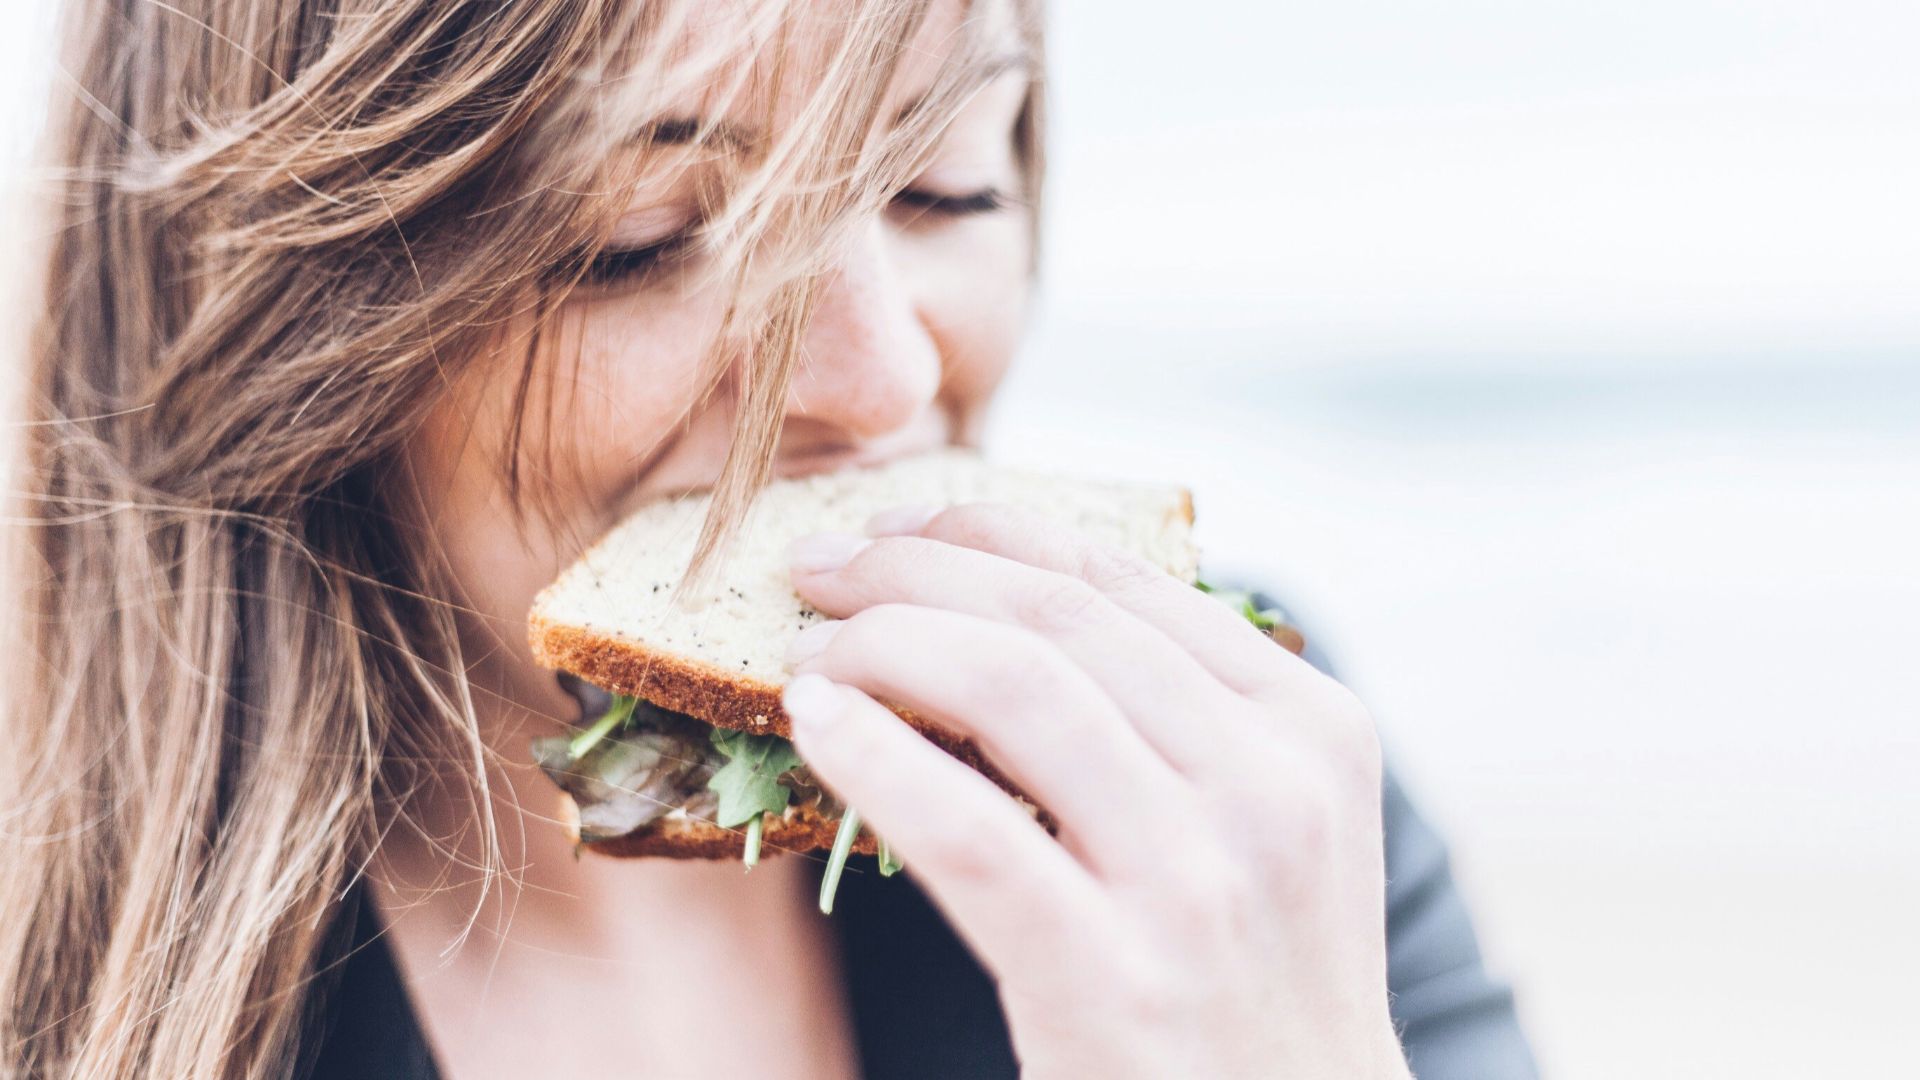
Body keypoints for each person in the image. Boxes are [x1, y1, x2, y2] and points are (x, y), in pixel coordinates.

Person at [0, 0, 1538, 1077]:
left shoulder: (1233, 797)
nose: (888, 381)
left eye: (949, 187)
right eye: (639, 241)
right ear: (283, 314)